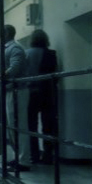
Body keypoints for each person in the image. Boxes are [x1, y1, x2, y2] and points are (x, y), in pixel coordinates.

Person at [0, 25, 30, 171]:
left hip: (17, 91)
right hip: (12, 91)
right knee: (13, 127)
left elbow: (15, 68)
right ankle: (19, 157)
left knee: (19, 126)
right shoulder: (9, 49)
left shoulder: (15, 48)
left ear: (6, 34)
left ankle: (24, 161)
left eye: (0, 35)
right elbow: (10, 68)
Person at [25, 29, 58, 164]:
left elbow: (25, 72)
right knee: (48, 125)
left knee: (31, 125)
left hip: (31, 92)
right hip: (48, 92)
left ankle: (34, 154)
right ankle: (48, 155)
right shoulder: (51, 54)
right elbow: (54, 74)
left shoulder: (27, 54)